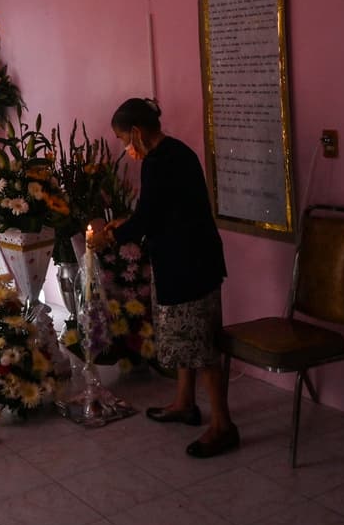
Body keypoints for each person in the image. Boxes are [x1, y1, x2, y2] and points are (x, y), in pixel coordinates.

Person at [92, 98, 237, 458]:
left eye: (125, 140)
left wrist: (108, 236)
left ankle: (223, 425)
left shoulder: (160, 162)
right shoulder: (174, 152)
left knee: (201, 346)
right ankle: (184, 403)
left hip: (189, 263)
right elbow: (156, 211)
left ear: (138, 132)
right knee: (188, 340)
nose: (126, 149)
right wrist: (125, 224)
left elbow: (149, 218)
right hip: (184, 259)